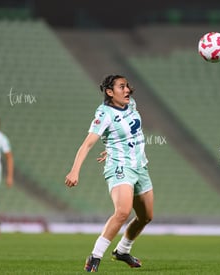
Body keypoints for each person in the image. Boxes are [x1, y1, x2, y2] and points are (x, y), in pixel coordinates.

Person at [65, 74, 154, 272]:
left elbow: (129, 133)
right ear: (110, 92)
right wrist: (74, 171)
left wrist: (112, 145)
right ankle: (95, 256)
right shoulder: (104, 114)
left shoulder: (131, 104)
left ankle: (122, 251)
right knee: (123, 211)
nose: (127, 90)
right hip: (120, 167)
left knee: (146, 216)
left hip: (141, 166)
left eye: (127, 86)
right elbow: (87, 144)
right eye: (122, 87)